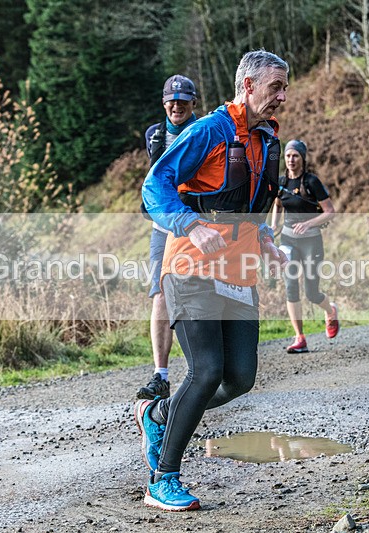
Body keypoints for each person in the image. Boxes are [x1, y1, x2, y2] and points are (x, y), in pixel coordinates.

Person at [136, 49, 289, 511]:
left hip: (239, 269)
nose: (282, 95)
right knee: (206, 371)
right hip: (190, 267)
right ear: (247, 86)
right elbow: (155, 185)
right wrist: (188, 224)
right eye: (274, 87)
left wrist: (264, 236)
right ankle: (163, 478)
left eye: (285, 87)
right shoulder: (210, 131)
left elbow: (244, 202)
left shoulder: (268, 140)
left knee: (239, 377)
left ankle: (159, 414)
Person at [136, 75, 199, 401]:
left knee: (199, 292)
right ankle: (160, 375)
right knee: (160, 291)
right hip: (164, 226)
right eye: (172, 101)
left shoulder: (202, 131)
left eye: (183, 100)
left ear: (193, 103)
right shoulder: (154, 135)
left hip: (197, 225)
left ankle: (202, 370)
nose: (177, 105)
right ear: (164, 103)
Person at [270, 139, 338, 353]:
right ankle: (299, 337)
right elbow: (278, 204)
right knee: (291, 286)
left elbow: (330, 211)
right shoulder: (281, 183)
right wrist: (274, 226)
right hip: (288, 240)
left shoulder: (311, 182)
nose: (291, 159)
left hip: (311, 240)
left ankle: (330, 311)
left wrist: (308, 223)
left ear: (302, 158)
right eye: (288, 155)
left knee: (311, 292)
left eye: (295, 155)